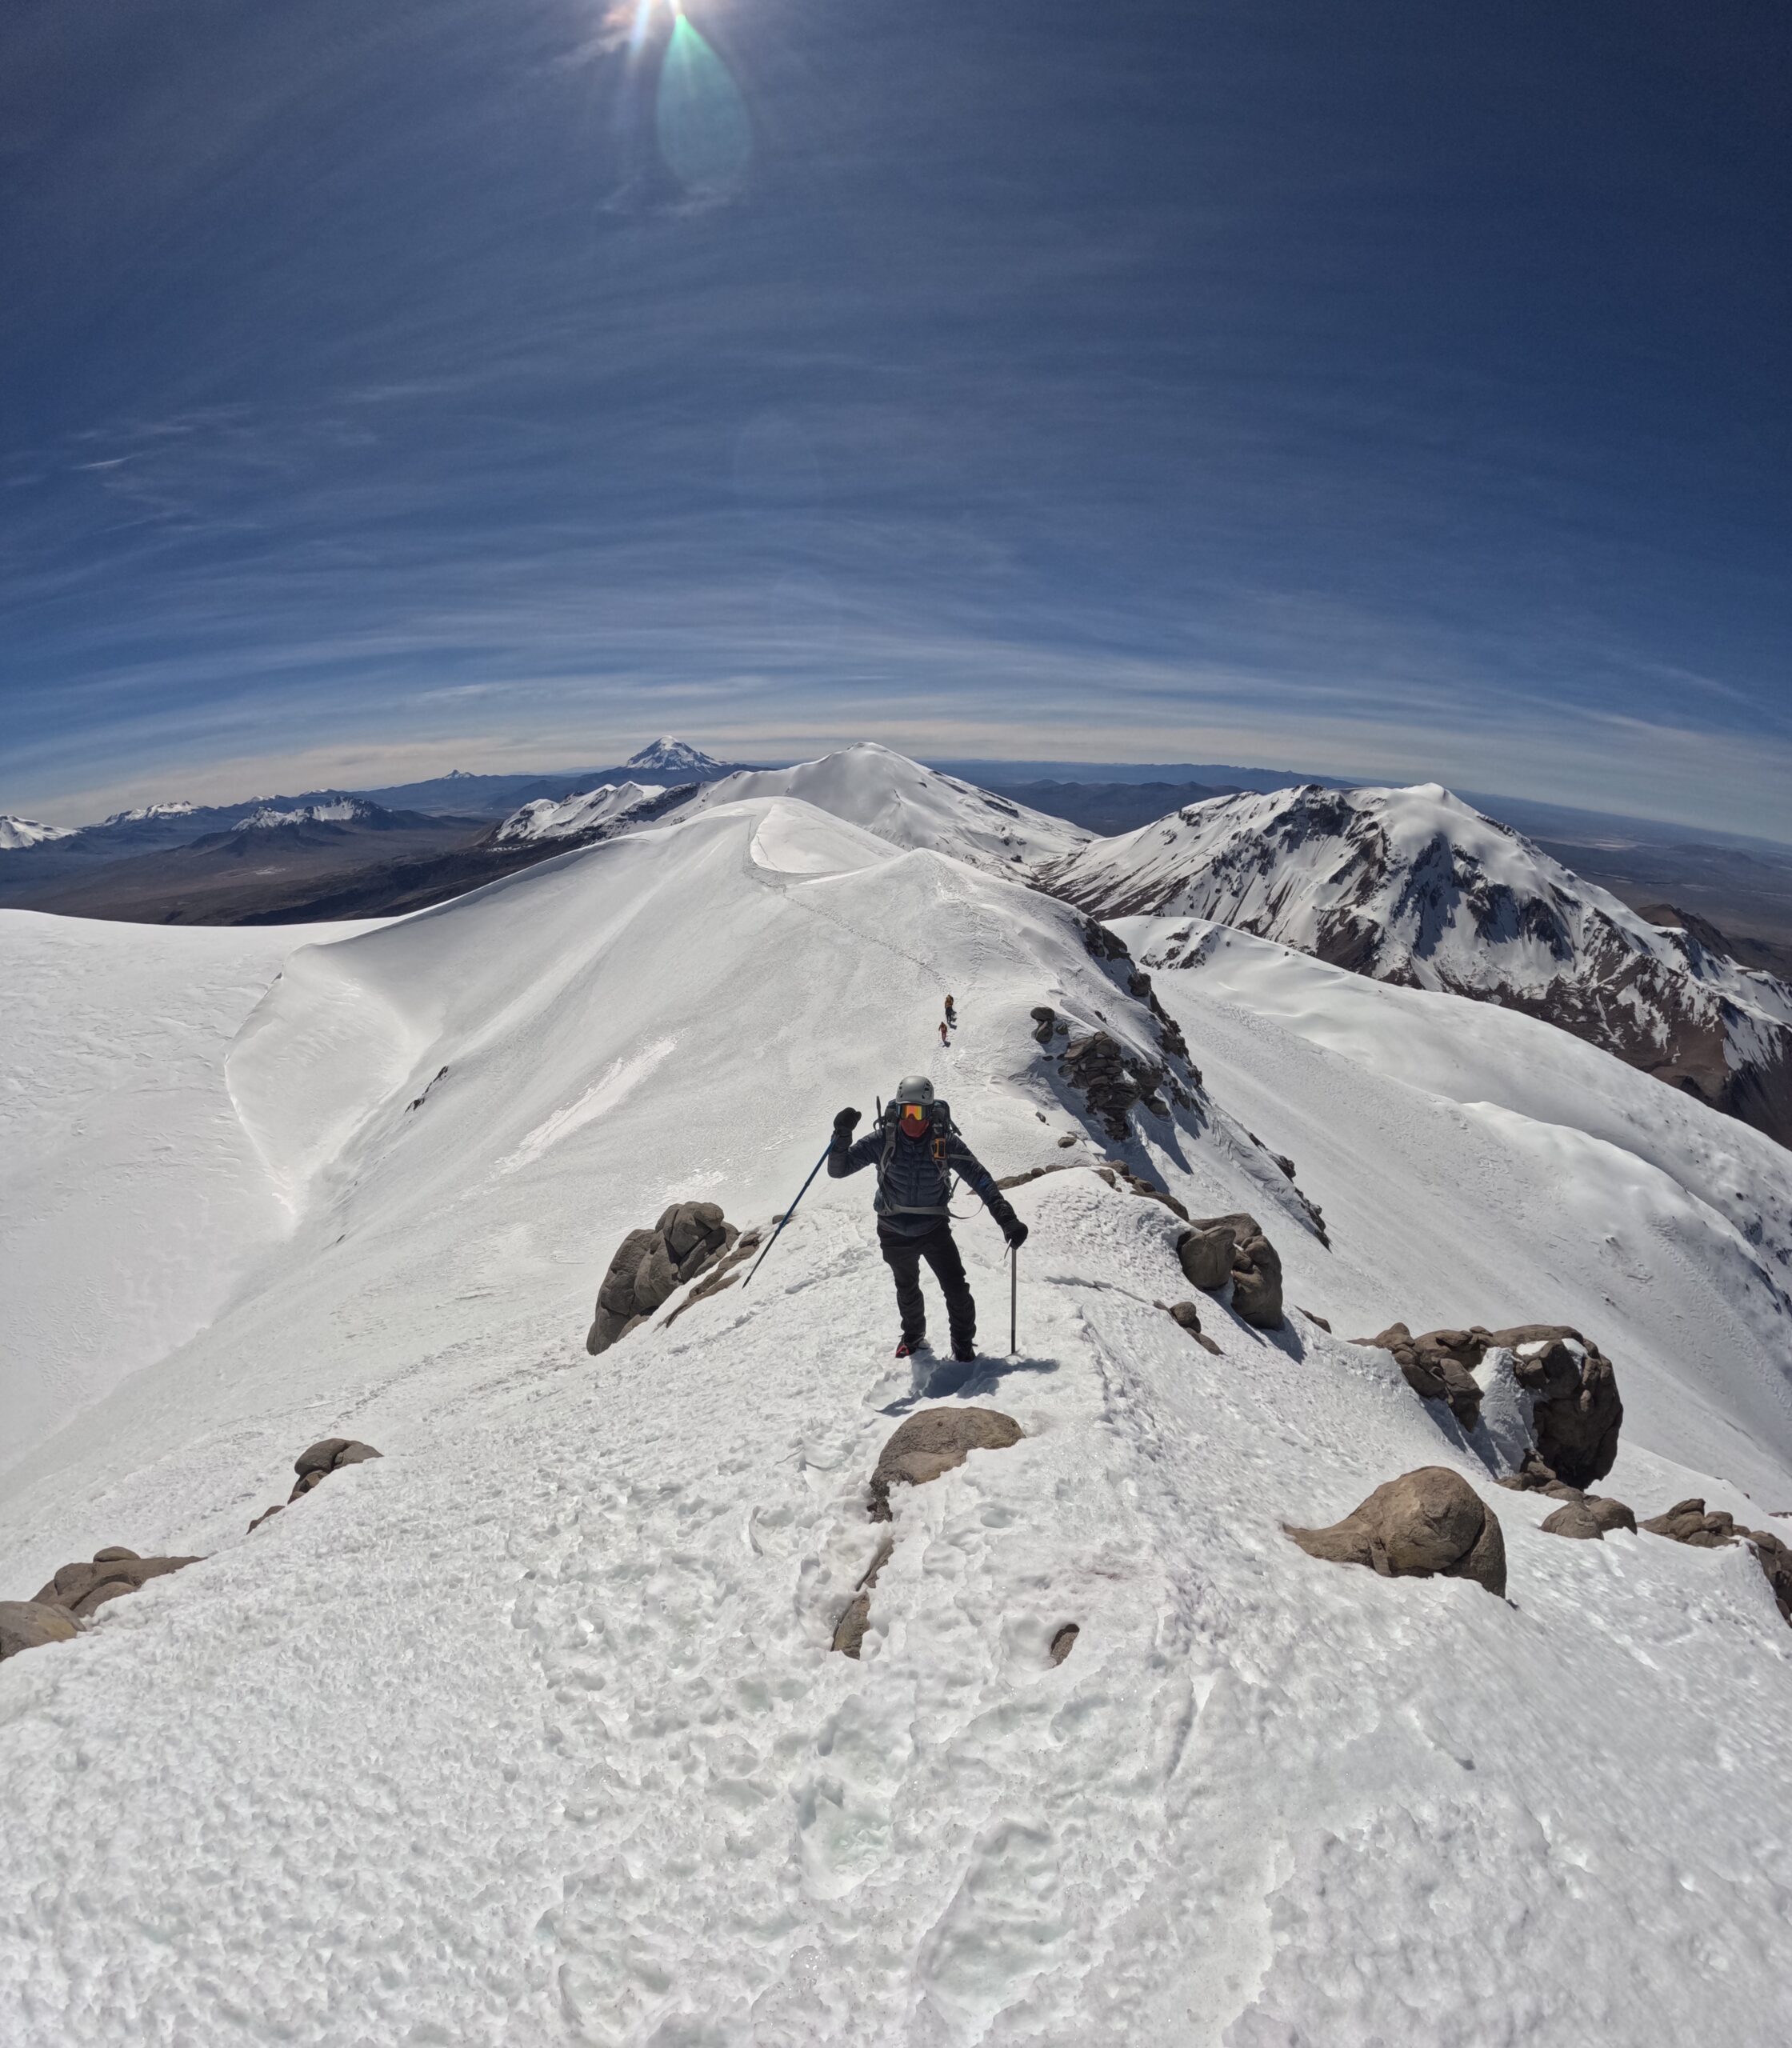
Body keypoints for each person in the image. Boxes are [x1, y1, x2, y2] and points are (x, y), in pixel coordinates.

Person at [829, 1074, 1027, 1361]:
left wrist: (1007, 1219)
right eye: (905, 1111)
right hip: (893, 1231)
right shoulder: (884, 1138)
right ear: (896, 1111)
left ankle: (962, 1346)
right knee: (907, 1288)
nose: (911, 1120)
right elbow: (839, 1169)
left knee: (957, 1290)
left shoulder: (943, 1141)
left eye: (918, 1112)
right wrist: (841, 1138)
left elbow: (980, 1178)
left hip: (932, 1229)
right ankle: (912, 1337)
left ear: (929, 1111)